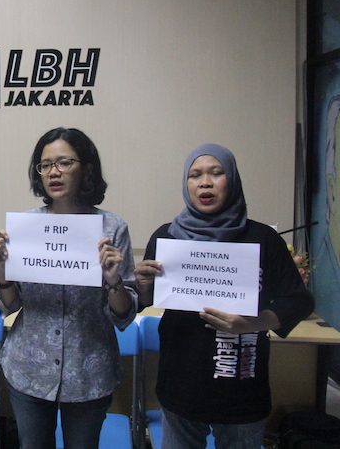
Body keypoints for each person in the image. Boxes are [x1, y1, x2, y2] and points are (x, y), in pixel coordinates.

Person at [133, 143, 314, 449]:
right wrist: (141, 283)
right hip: (181, 383)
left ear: (233, 179)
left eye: (216, 173)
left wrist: (253, 323)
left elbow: (299, 301)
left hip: (242, 385)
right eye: (195, 175)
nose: (205, 182)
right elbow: (145, 299)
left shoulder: (263, 239)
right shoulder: (167, 237)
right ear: (186, 184)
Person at [0, 127, 137, 449]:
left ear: (87, 169)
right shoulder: (26, 227)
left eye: (64, 162)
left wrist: (114, 281)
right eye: (45, 165)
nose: (53, 172)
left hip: (89, 370)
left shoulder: (112, 228)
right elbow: (11, 306)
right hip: (29, 367)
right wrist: (2, 272)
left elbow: (124, 317)